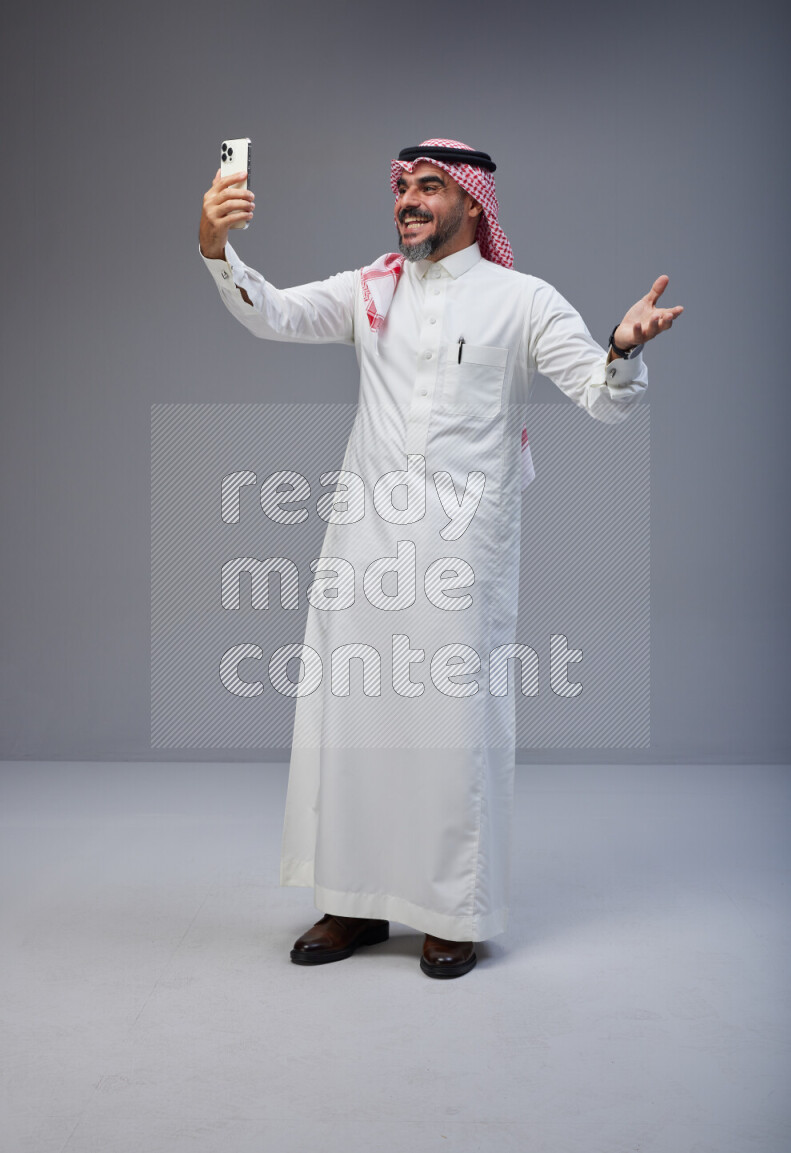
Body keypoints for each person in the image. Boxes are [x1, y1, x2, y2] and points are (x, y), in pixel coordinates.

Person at [198, 138, 683, 979]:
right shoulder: (370, 289)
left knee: (450, 731)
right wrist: (215, 247)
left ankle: (451, 913)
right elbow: (271, 310)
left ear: (473, 203)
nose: (410, 201)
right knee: (352, 723)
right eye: (404, 188)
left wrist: (625, 345)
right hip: (364, 540)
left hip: (464, 550)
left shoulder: (522, 301)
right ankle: (351, 903)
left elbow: (602, 401)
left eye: (430, 187)